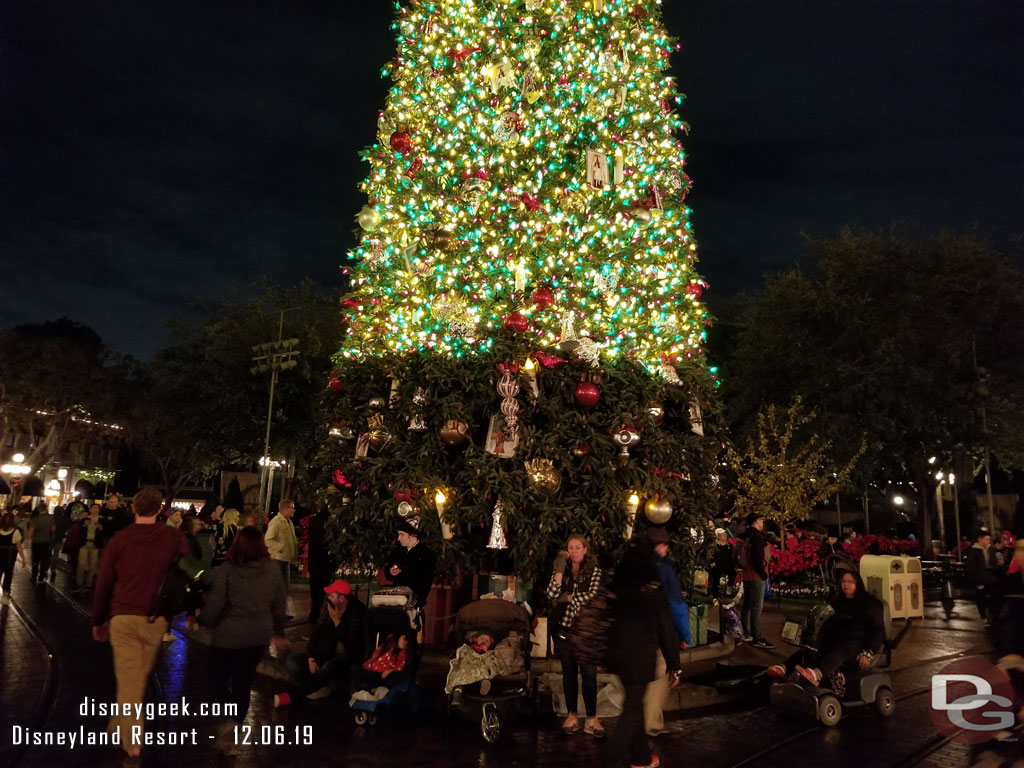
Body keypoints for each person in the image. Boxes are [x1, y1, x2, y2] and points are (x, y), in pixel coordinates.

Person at [91, 487, 189, 767]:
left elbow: (105, 582)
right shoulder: (171, 536)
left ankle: (131, 741)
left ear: (133, 508)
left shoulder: (120, 540)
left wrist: (99, 620)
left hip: (123, 616)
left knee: (132, 678)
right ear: (160, 510)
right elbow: (189, 561)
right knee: (136, 677)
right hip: (155, 619)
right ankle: (122, 728)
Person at [201, 527, 288, 755]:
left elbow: (215, 604)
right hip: (257, 636)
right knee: (243, 683)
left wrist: (206, 620)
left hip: (227, 637)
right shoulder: (272, 572)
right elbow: (279, 605)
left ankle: (228, 722)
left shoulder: (227, 571)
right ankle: (235, 726)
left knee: (218, 681)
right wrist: (278, 630)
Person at [605, 535, 680, 768]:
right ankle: (607, 760)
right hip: (640, 654)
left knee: (634, 705)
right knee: (631, 711)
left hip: (617, 652)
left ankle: (641, 757)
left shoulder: (619, 582)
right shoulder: (652, 586)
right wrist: (674, 665)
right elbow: (666, 626)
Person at [545, 533, 604, 737]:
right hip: (564, 631)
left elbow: (591, 596)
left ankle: (592, 718)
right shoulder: (564, 570)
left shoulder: (594, 572)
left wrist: (568, 597)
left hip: (586, 632)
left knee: (589, 675)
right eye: (570, 548)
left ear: (585, 550)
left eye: (578, 547)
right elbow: (552, 594)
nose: (574, 551)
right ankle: (571, 715)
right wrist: (559, 571)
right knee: (569, 675)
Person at [795, 566, 885, 690]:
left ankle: (816, 674)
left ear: (857, 583)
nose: (845, 584)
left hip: (856, 642)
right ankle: (784, 668)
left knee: (840, 650)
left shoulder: (869, 603)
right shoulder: (838, 601)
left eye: (849, 582)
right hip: (837, 638)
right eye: (843, 581)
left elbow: (878, 631)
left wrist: (868, 652)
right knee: (811, 649)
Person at [283, 579, 366, 702]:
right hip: (325, 653)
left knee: (329, 666)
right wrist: (311, 659)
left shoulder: (357, 611)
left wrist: (337, 621)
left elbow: (351, 644)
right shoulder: (329, 608)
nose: (328, 597)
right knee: (292, 660)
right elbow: (315, 633)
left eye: (332, 595)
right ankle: (319, 686)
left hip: (347, 656)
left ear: (342, 598)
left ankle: (294, 696)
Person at [643, 527, 690, 738]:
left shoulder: (634, 566)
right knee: (658, 678)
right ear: (661, 546)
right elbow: (677, 606)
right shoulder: (665, 570)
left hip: (635, 635)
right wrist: (684, 636)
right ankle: (650, 723)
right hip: (658, 635)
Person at [382, 517, 436, 606]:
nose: (398, 538)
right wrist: (390, 572)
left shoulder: (426, 554)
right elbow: (388, 574)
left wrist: (418, 601)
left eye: (401, 534)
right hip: (396, 600)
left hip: (413, 602)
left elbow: (427, 582)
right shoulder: (397, 552)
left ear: (411, 535)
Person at [739, 512, 774, 648]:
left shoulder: (746, 535)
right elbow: (757, 558)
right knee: (756, 606)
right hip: (756, 575)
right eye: (761, 519)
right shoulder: (757, 537)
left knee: (747, 604)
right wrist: (763, 574)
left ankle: (746, 631)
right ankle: (757, 636)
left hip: (746, 574)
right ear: (755, 521)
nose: (762, 522)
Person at [305, 506, 335, 622]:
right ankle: (319, 613)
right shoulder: (331, 522)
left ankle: (314, 612)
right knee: (323, 588)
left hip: (314, 561)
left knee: (314, 588)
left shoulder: (313, 521)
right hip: (326, 562)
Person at [965, 530, 999, 623]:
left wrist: (993, 566)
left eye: (989, 539)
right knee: (981, 598)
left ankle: (993, 615)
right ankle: (983, 617)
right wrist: (975, 580)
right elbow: (970, 566)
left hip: (991, 577)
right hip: (980, 577)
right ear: (980, 539)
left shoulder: (991, 549)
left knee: (994, 596)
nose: (988, 541)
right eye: (986, 539)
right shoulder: (974, 549)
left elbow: (995, 561)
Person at [264, 499, 297, 591]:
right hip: (278, 559)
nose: (294, 510)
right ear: (285, 509)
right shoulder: (276, 522)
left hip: (285, 559)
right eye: (292, 508)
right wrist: (281, 547)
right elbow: (267, 540)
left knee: (284, 588)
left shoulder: (289, 522)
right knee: (277, 587)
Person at [0, 511, 28, 605]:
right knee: (8, 576)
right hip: (9, 559)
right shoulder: (16, 532)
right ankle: (5, 596)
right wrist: (23, 559)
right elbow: (19, 546)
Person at [76, 504, 103, 590]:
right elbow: (79, 530)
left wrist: (101, 528)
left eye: (97, 508)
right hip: (84, 543)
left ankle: (89, 583)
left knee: (92, 565)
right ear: (90, 509)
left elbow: (104, 532)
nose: (95, 510)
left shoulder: (101, 519)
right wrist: (84, 525)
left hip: (94, 544)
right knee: (81, 564)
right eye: (94, 508)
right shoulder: (85, 519)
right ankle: (79, 582)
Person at [28, 502, 56, 584]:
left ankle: (34, 576)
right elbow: (53, 529)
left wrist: (27, 539)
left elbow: (31, 530)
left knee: (35, 559)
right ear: (46, 509)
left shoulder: (35, 519)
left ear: (39, 509)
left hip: (36, 542)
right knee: (44, 559)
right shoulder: (51, 518)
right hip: (46, 541)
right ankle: (41, 575)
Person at [709, 527, 736, 599]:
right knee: (715, 575)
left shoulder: (730, 546)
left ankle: (729, 586)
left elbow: (732, 556)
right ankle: (715, 595)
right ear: (718, 536)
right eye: (723, 534)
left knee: (733, 572)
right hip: (717, 565)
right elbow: (711, 557)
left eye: (725, 534)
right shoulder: (714, 546)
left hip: (728, 565)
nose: (725, 535)